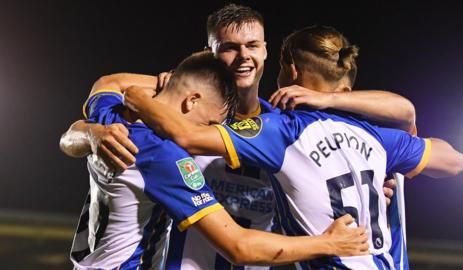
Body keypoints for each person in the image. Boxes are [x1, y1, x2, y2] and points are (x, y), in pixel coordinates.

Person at [61, 4, 416, 269]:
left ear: (264, 51)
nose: (242, 56)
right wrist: (92, 133)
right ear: (210, 53)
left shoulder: (284, 129)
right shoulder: (181, 112)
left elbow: (406, 114)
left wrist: (369, 184)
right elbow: (102, 92)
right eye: (229, 47)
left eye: (252, 45)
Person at [121, 25, 463, 269]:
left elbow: (185, 136)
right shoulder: (376, 136)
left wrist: (138, 98)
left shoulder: (280, 131)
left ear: (289, 68)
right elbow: (454, 161)